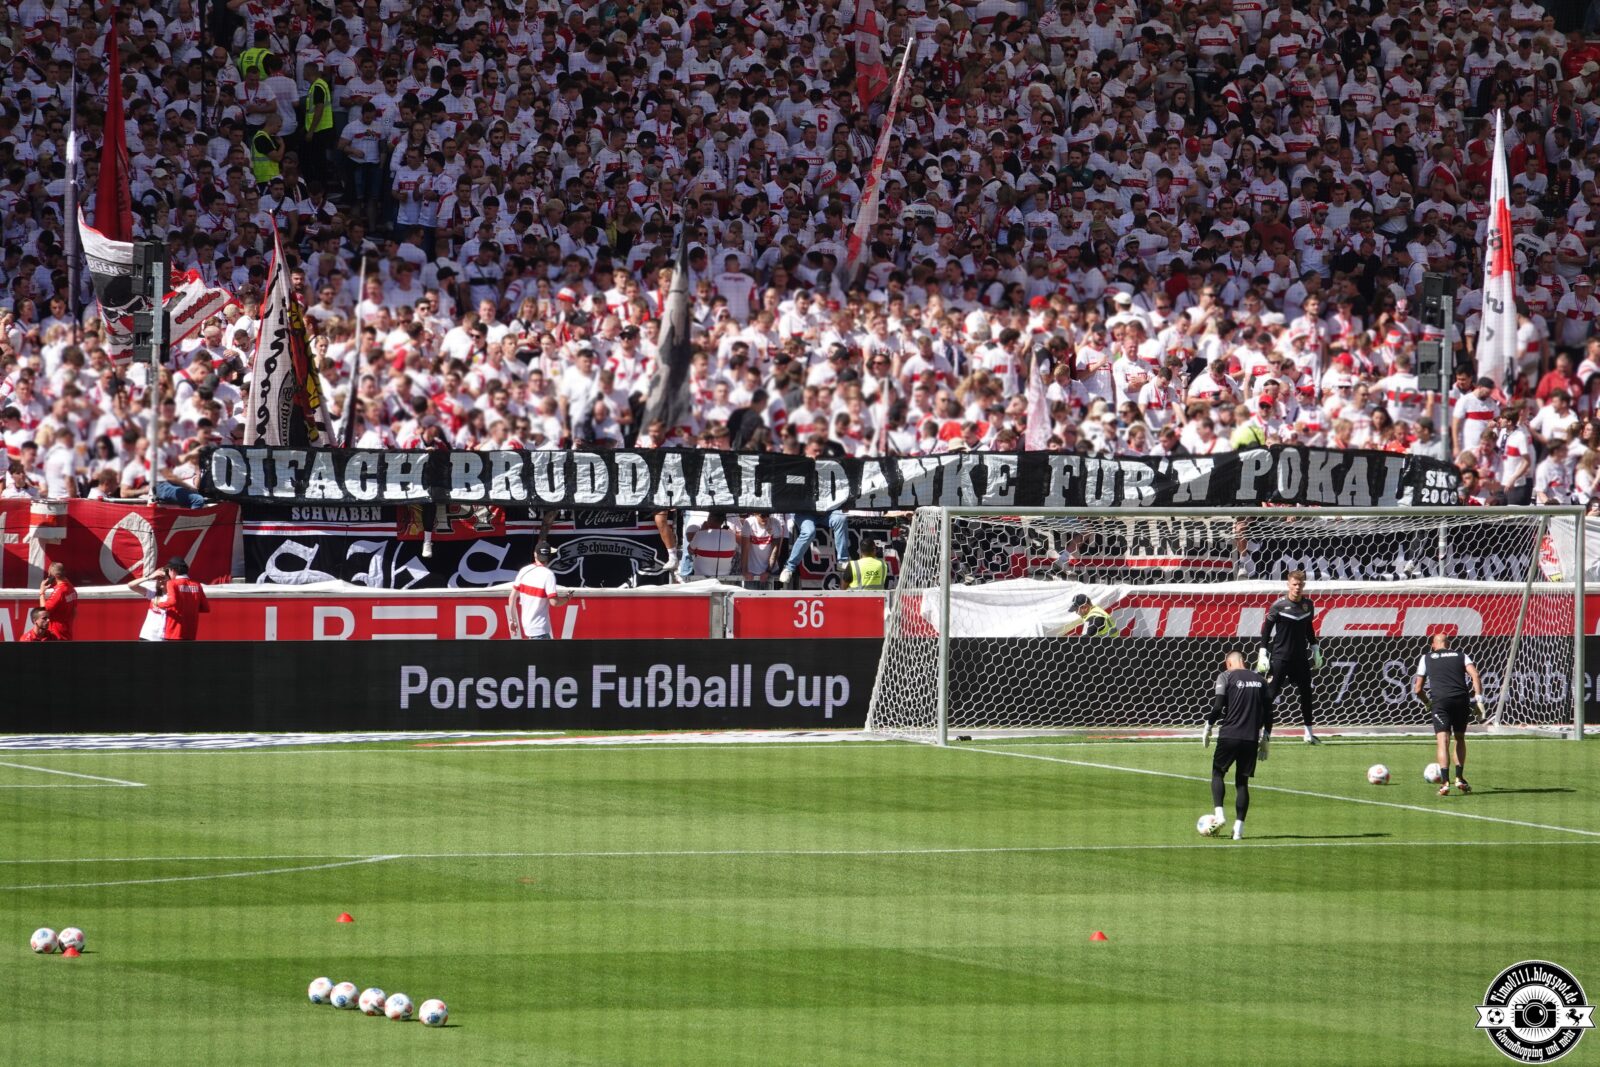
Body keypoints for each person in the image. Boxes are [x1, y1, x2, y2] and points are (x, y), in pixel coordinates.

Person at [1205, 650, 1275, 841]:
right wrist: (1266, 738)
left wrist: (1208, 726)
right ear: (1243, 661)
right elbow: (1269, 712)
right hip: (1250, 739)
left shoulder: (1226, 676)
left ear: (1228, 663)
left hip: (1229, 736)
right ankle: (1239, 830)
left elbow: (1218, 706)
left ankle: (1219, 816)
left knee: (1217, 774)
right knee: (1242, 783)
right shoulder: (1260, 680)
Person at [1412, 633, 1487, 796]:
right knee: (1459, 738)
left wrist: (1427, 702)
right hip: (1461, 700)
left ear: (1433, 645)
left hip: (1441, 702)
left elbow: (1418, 689)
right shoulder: (1461, 655)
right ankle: (1459, 777)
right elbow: (1475, 675)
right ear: (1449, 644)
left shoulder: (1426, 658)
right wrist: (1479, 700)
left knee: (1443, 740)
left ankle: (1445, 783)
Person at [1258, 569, 1323, 744]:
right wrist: (1263, 652)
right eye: (1294, 584)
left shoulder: (1308, 605)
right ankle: (1261, 732)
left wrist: (1315, 648)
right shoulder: (1278, 606)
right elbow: (1266, 629)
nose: (1297, 588)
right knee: (1270, 695)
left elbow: (1308, 627)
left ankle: (1308, 734)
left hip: (1300, 659)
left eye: (1300, 585)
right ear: (1288, 585)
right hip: (1280, 658)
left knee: (1307, 695)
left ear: (1304, 586)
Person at [777, 435, 850, 587]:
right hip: (805, 512)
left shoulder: (828, 465)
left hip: (826, 512)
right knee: (809, 532)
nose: (818, 454)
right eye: (815, 450)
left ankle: (843, 560)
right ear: (807, 449)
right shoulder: (798, 466)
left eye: (820, 451)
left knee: (841, 518)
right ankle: (789, 567)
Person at [508, 543, 573, 639]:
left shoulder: (524, 571)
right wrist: (567, 597)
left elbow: (512, 598)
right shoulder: (548, 575)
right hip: (540, 631)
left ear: (535, 554)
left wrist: (512, 621)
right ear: (548, 557)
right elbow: (554, 602)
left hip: (528, 630)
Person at [155, 558, 209, 641]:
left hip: (173, 631)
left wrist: (158, 604)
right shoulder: (197, 585)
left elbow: (172, 601)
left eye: (168, 570)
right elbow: (206, 608)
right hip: (191, 631)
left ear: (172, 570)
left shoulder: (172, 583)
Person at [687, 510, 742, 581]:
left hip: (700, 577)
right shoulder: (731, 535)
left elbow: (690, 550)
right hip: (725, 577)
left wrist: (702, 530)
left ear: (709, 519)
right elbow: (734, 552)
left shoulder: (700, 534)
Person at [38, 562, 76, 640]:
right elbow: (74, 611)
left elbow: (44, 611)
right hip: (67, 632)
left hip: (56, 635)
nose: (48, 578)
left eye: (49, 575)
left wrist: (42, 592)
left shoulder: (59, 592)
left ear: (55, 576)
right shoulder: (71, 588)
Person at [128, 570, 169, 642]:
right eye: (158, 578)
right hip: (147, 636)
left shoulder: (174, 596)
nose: (160, 581)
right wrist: (150, 577)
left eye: (163, 578)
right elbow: (131, 585)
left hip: (163, 638)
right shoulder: (154, 593)